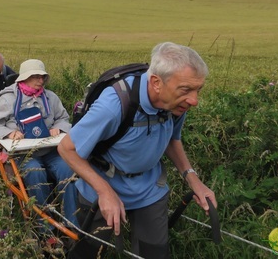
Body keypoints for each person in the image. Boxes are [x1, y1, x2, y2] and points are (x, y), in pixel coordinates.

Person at [58, 42, 217, 259]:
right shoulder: (114, 105)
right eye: (187, 90)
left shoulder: (177, 104)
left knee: (154, 253)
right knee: (89, 252)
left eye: (198, 90)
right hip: (101, 186)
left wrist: (193, 180)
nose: (194, 100)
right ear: (156, 82)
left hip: (149, 189)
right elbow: (67, 148)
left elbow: (172, 139)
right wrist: (105, 192)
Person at [0, 59, 78, 233]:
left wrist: (59, 128)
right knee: (36, 173)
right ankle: (44, 227)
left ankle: (71, 224)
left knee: (68, 170)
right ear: (23, 79)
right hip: (24, 153)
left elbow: (63, 119)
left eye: (42, 77)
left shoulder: (50, 97)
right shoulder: (8, 99)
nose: (40, 81)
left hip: (50, 150)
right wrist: (8, 133)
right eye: (35, 77)